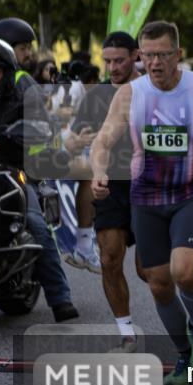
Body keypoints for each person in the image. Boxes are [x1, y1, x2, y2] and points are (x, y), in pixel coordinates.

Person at [91, 21, 193, 385]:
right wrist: (98, 170)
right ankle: (185, 356)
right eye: (149, 55)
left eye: (163, 55)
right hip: (147, 197)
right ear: (141, 55)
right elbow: (103, 140)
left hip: (191, 193)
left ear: (179, 54)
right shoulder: (130, 94)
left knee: (185, 273)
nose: (155, 63)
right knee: (158, 283)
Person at [68, 31, 148, 351]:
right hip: (110, 185)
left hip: (148, 185)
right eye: (108, 61)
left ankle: (186, 318)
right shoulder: (96, 95)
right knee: (110, 258)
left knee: (148, 269)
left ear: (136, 56)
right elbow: (72, 141)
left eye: (119, 60)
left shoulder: (152, 90)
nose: (113, 67)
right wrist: (79, 142)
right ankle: (126, 332)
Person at [0, 34, 79, 322]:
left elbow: (41, 125)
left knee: (36, 225)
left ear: (4, 70)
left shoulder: (20, 90)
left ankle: (60, 298)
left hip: (10, 171)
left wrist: (10, 139)